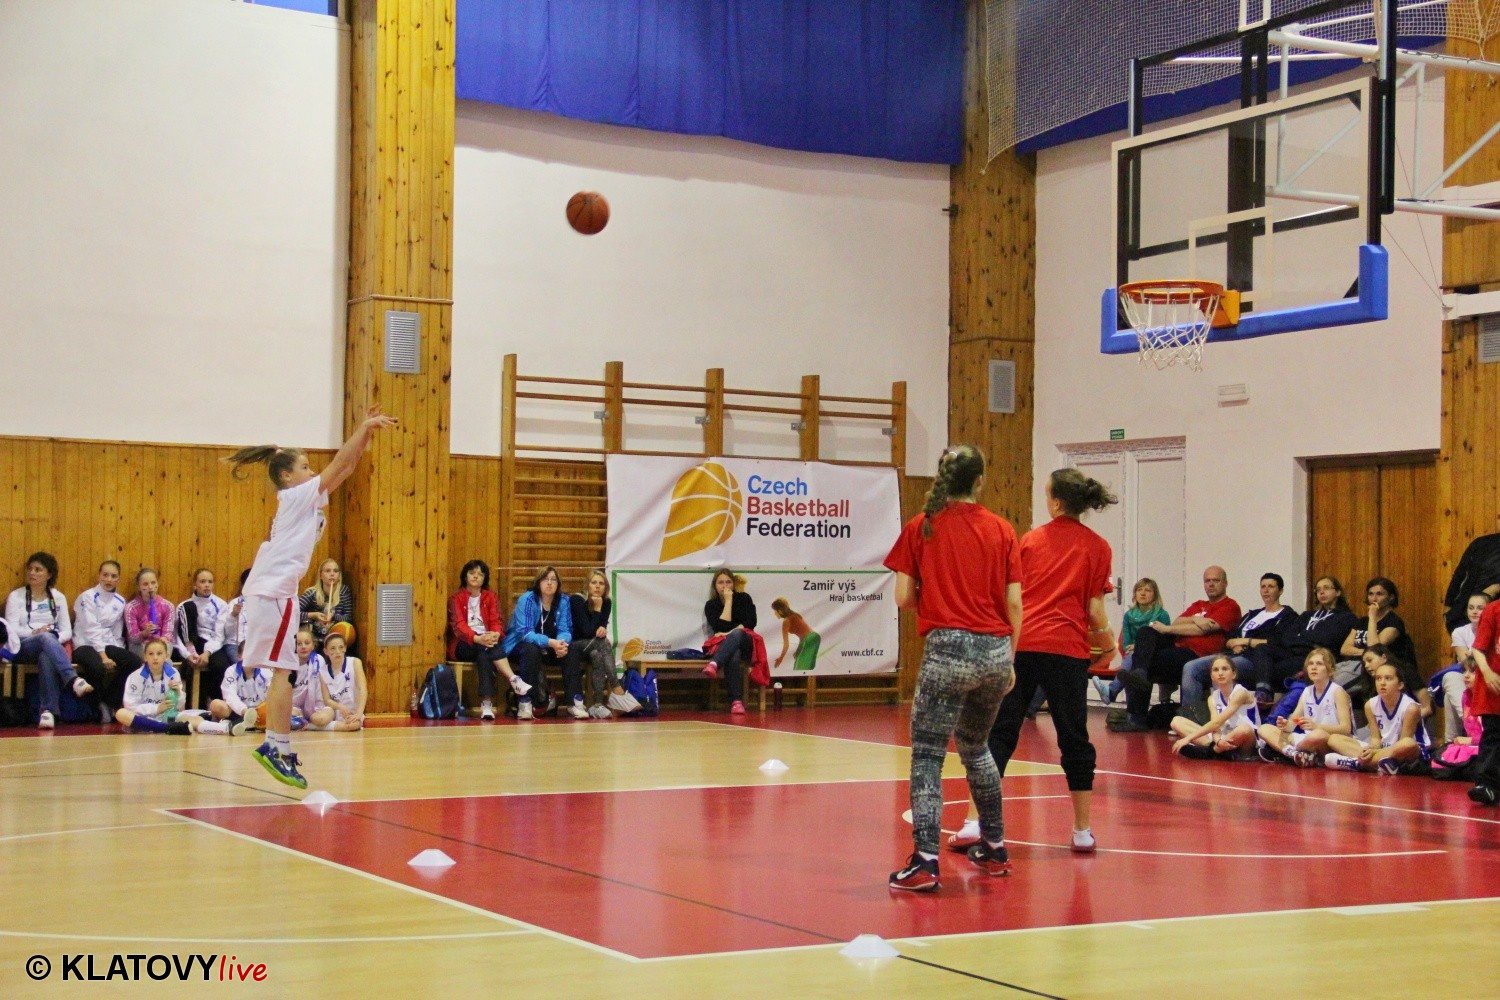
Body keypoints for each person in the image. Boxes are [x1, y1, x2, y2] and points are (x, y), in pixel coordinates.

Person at [227, 404, 397, 789]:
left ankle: (278, 747)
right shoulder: (296, 495)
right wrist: (363, 427)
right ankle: (276, 747)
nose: (311, 471)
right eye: (304, 466)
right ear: (287, 476)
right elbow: (339, 464)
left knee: (285, 671)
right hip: (274, 591)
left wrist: (366, 436)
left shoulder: (305, 498)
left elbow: (347, 469)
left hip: (276, 592)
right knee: (284, 672)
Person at [883, 445, 1022, 891]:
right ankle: (995, 846)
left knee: (928, 753)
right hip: (996, 651)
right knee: (977, 748)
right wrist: (1010, 658)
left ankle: (925, 860)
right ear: (980, 481)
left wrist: (938, 596)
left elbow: (903, 597)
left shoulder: (921, 526)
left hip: (948, 649)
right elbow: (1014, 603)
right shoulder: (1002, 529)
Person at [982, 467, 1116, 856]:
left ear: (1055, 501)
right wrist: (1108, 645)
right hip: (1068, 651)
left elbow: (1012, 597)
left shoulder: (1030, 540)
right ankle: (1082, 830)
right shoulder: (1099, 546)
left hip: (1024, 646)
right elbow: (1095, 609)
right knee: (1074, 736)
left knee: (1001, 733)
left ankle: (979, 823)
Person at [1111, 566, 1241, 733]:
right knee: (1145, 633)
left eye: (1215, 580)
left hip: (1198, 654)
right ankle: (1139, 684)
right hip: (1177, 648)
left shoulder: (1230, 606)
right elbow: (1177, 622)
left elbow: (1203, 630)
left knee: (1141, 659)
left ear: (1225, 583)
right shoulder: (1198, 605)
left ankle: (1141, 716)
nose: (1211, 584)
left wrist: (1170, 629)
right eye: (1207, 581)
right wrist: (1195, 619)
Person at [1180, 573, 1296, 709]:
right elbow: (1230, 637)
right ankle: (1190, 715)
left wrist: (1245, 641)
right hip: (1232, 654)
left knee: (1222, 669)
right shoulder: (1252, 614)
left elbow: (1277, 642)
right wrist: (1232, 644)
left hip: (1256, 659)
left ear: (1280, 591)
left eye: (1270, 586)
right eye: (1263, 586)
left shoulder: (1288, 616)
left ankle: (1223, 715)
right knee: (1191, 667)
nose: (1266, 590)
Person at [5, 552, 89, 730]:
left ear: (49, 574)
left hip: (50, 646)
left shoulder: (58, 597)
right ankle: (72, 679)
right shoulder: (16, 596)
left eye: (38, 570)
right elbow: (11, 631)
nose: (32, 573)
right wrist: (34, 632)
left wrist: (53, 636)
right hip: (23, 646)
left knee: (46, 654)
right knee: (44, 638)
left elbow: (67, 631)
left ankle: (48, 712)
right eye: (30, 569)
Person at [1247, 576, 1358, 697]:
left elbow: (1329, 640)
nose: (1321, 592)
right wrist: (1309, 643)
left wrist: (1302, 639)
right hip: (1294, 653)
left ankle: (1269, 689)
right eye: (1318, 590)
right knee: (1262, 647)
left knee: (1269, 669)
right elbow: (1287, 637)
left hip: (1316, 657)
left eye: (1326, 588)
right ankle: (1263, 691)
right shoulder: (1307, 615)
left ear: (1338, 592)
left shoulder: (1346, 617)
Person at [447, 559, 529, 721]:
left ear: (485, 578)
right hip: (464, 643)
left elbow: (496, 620)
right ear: (465, 576)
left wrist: (496, 634)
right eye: (472, 573)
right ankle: (513, 678)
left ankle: (486, 704)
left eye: (480, 574)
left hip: (486, 643)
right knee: (485, 648)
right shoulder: (456, 598)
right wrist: (477, 638)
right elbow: (458, 626)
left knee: (484, 654)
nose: (476, 577)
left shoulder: (490, 597)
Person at [1324, 661, 1431, 774]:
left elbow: (1403, 741)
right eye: (1378, 679)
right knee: (1334, 739)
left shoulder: (1411, 708)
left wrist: (1374, 753)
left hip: (1410, 754)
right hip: (1383, 751)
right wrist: (1371, 749)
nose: (1382, 683)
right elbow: (1376, 738)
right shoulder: (1370, 705)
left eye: (1388, 678)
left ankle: (1357, 763)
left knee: (1408, 744)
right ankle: (1377, 763)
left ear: (1400, 685)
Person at [1256, 647, 1351, 767]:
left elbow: (1346, 729)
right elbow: (1294, 720)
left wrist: (1316, 726)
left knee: (1318, 734)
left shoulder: (1337, 691)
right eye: (1311, 664)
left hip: (1332, 740)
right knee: (1264, 728)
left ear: (1330, 670)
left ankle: (1288, 752)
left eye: (1319, 664)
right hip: (1308, 740)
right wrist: (1286, 725)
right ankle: (1294, 754)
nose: (1313, 667)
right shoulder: (1307, 691)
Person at [71, 559, 141, 717]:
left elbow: (117, 632)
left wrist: (118, 653)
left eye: (113, 576)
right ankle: (97, 706)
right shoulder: (87, 597)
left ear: (118, 579)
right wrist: (103, 656)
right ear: (99, 576)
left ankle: (110, 700)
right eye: (105, 575)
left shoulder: (120, 601)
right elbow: (91, 628)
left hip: (107, 643)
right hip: (85, 643)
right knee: (97, 667)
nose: (109, 579)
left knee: (134, 662)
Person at [503, 565, 573, 720]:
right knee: (531, 650)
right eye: (545, 579)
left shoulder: (563, 601)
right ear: (538, 582)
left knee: (571, 650)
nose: (549, 583)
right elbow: (526, 633)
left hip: (550, 646)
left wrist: (562, 643)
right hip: (518, 645)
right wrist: (550, 642)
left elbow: (565, 629)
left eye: (553, 580)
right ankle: (525, 702)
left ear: (558, 584)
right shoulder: (527, 599)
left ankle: (574, 702)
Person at [115, 637, 228, 734]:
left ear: (167, 656)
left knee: (194, 719)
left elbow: (178, 706)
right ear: (145, 657)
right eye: (151, 654)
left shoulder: (173, 673)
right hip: (144, 719)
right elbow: (130, 706)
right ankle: (167, 728)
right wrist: (157, 708)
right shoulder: (136, 677)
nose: (155, 657)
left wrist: (178, 694)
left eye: (159, 653)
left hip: (167, 716)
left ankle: (226, 728)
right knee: (121, 713)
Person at [568, 569, 638, 719]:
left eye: (601, 583)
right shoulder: (577, 600)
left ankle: (597, 705)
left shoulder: (606, 602)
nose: (597, 586)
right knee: (603, 643)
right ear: (587, 585)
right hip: (576, 646)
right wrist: (597, 609)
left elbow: (599, 629)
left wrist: (602, 630)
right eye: (594, 583)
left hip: (595, 646)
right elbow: (586, 631)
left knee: (597, 655)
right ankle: (616, 686)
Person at [1091, 578, 1169, 706]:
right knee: (1131, 660)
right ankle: (1127, 708)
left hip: (1153, 656)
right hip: (1131, 654)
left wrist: (1138, 647)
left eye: (1147, 590)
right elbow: (1126, 643)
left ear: (1155, 595)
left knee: (1133, 658)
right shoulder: (1128, 615)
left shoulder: (1162, 615)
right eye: (1139, 590)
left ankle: (1111, 691)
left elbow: (1165, 641)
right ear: (1135, 594)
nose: (1142, 593)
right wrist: (1132, 648)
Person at [1168, 654, 1259, 760]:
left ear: (1234, 674)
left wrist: (1187, 739)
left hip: (1246, 739)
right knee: (1176, 721)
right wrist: (1218, 740)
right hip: (1223, 739)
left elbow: (1217, 723)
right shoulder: (1212, 698)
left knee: (1244, 729)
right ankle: (1221, 752)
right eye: (1216, 670)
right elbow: (1215, 727)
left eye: (1225, 669)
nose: (1220, 673)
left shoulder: (1240, 693)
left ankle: (1210, 752)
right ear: (1212, 676)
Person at [1431, 593, 1489, 743]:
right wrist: (1479, 655)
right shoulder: (1460, 632)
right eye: (1471, 608)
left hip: (1489, 677)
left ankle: (1474, 734)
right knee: (1450, 677)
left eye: (1480, 608)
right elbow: (1467, 663)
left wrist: (1475, 654)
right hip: (1470, 674)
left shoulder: (1496, 630)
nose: (1474, 611)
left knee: (1448, 697)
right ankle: (1453, 741)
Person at [701, 568, 757, 717]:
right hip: (727, 648)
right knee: (734, 654)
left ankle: (715, 663)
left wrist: (728, 633)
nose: (725, 586)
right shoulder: (711, 605)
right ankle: (736, 702)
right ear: (715, 586)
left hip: (746, 643)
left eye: (728, 582)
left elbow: (750, 623)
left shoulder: (744, 598)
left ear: (733, 584)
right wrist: (728, 602)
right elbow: (720, 627)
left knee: (738, 634)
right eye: (721, 582)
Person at [1462, 592, 1500, 805]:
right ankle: (1487, 785)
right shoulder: (1493, 610)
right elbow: (1478, 649)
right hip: (1495, 688)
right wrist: (1487, 672)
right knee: (1492, 735)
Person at [174, 568, 231, 710]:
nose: (207, 585)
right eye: (203, 581)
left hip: (212, 644)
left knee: (221, 665)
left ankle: (218, 706)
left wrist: (207, 653)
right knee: (189, 668)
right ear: (195, 585)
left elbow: (219, 635)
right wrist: (188, 655)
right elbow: (176, 635)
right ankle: (193, 709)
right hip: (191, 644)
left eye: (210, 582)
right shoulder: (184, 606)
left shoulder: (221, 605)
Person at [1338, 577, 1411, 674]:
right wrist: (1365, 652)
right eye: (1371, 594)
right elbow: (1344, 649)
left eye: (1379, 594)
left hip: (1380, 668)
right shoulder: (1362, 621)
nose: (1374, 598)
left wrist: (1372, 617)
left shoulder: (1393, 622)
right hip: (1353, 664)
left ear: (1391, 597)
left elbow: (1374, 648)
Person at [315, 631, 366, 731]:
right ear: (326, 651)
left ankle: (312, 727)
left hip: (352, 711)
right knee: (320, 719)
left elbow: (363, 690)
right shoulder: (323, 671)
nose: (337, 651)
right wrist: (340, 707)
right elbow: (327, 700)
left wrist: (359, 713)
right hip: (334, 711)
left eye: (341, 647)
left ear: (345, 648)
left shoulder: (355, 662)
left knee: (352, 726)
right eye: (333, 648)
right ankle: (315, 725)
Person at [299, 558, 353, 648]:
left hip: (334, 642)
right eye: (328, 571)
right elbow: (294, 614)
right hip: (313, 642)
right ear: (320, 575)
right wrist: (313, 615)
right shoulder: (311, 593)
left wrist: (333, 616)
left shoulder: (344, 592)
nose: (332, 574)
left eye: (335, 571)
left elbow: (348, 618)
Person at [124, 568, 175, 657]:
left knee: (163, 658)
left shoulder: (168, 606)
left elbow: (168, 633)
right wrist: (145, 633)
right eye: (145, 584)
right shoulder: (131, 607)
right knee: (149, 656)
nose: (150, 587)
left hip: (161, 643)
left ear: (157, 584)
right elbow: (133, 638)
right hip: (140, 645)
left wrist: (160, 644)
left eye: (153, 583)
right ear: (139, 587)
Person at [770, 598, 822, 673]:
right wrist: (798, 650)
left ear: (780, 611)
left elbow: (786, 644)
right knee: (805, 667)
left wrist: (781, 658)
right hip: (814, 637)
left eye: (775, 611)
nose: (774, 613)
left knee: (799, 668)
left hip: (809, 639)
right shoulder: (795, 615)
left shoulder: (786, 621)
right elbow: (804, 635)